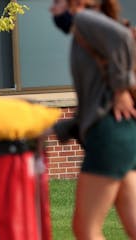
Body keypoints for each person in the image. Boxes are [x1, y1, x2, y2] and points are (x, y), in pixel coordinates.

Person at [49, 0, 136, 239]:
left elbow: (122, 37)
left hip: (109, 136)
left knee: (86, 228)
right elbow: (91, 104)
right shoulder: (83, 35)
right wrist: (54, 130)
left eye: (56, 3)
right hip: (122, 133)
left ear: (74, 3)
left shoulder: (84, 20)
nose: (51, 10)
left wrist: (121, 90)